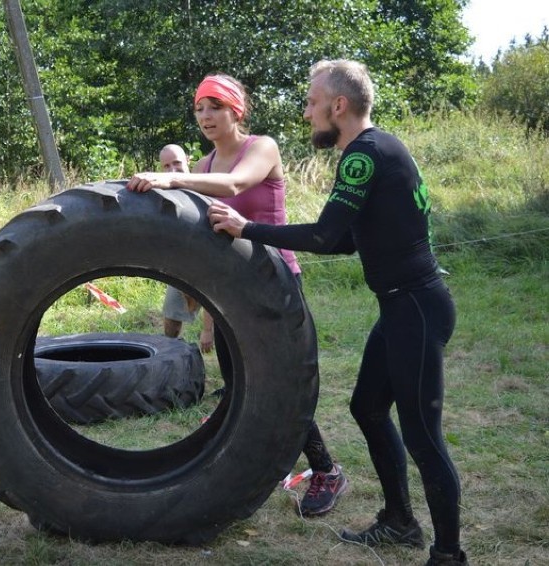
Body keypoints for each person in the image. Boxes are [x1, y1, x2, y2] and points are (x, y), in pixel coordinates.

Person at [208, 60, 466, 566]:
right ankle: (399, 522)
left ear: (338, 105)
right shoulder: (379, 147)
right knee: (367, 408)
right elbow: (349, 239)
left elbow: (325, 236)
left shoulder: (361, 156)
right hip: (402, 305)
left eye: (311, 102)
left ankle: (449, 553)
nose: (307, 113)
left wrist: (246, 229)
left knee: (423, 436)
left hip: (415, 306)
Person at [129, 73, 348, 518]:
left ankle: (326, 471)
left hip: (276, 281)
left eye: (216, 107)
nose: (206, 117)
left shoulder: (260, 148)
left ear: (236, 111)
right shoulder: (206, 163)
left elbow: (234, 186)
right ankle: (248, 461)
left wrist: (168, 178)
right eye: (199, 109)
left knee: (281, 382)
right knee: (240, 380)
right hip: (230, 289)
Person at [157, 144, 205, 341]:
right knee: (172, 315)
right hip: (181, 261)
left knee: (222, 316)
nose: (172, 169)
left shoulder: (204, 185)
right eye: (166, 166)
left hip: (211, 258)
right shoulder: (163, 193)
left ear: (188, 161)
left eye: (176, 163)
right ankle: (171, 353)